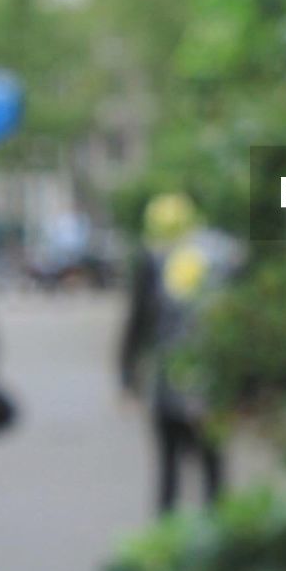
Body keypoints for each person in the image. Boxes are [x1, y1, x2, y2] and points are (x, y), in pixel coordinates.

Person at [119, 193, 242, 514]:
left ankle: (166, 549)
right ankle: (219, 541)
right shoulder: (221, 252)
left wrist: (127, 377)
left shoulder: (153, 258)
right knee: (213, 470)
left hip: (170, 381)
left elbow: (138, 322)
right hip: (213, 383)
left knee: (170, 472)